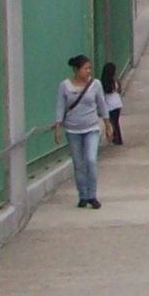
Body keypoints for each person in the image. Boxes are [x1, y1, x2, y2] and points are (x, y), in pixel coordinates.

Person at [53, 55, 106, 208]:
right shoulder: (65, 86)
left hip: (91, 128)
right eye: (85, 68)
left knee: (91, 159)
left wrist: (108, 124)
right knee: (78, 163)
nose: (88, 71)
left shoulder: (95, 84)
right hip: (72, 129)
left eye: (89, 68)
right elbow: (60, 107)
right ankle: (82, 194)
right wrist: (57, 128)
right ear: (76, 70)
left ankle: (92, 194)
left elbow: (101, 105)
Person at [101, 61, 126, 146]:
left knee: (112, 121)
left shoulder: (103, 82)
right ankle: (117, 137)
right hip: (117, 102)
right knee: (115, 121)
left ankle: (116, 137)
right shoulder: (115, 81)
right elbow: (119, 90)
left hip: (109, 103)